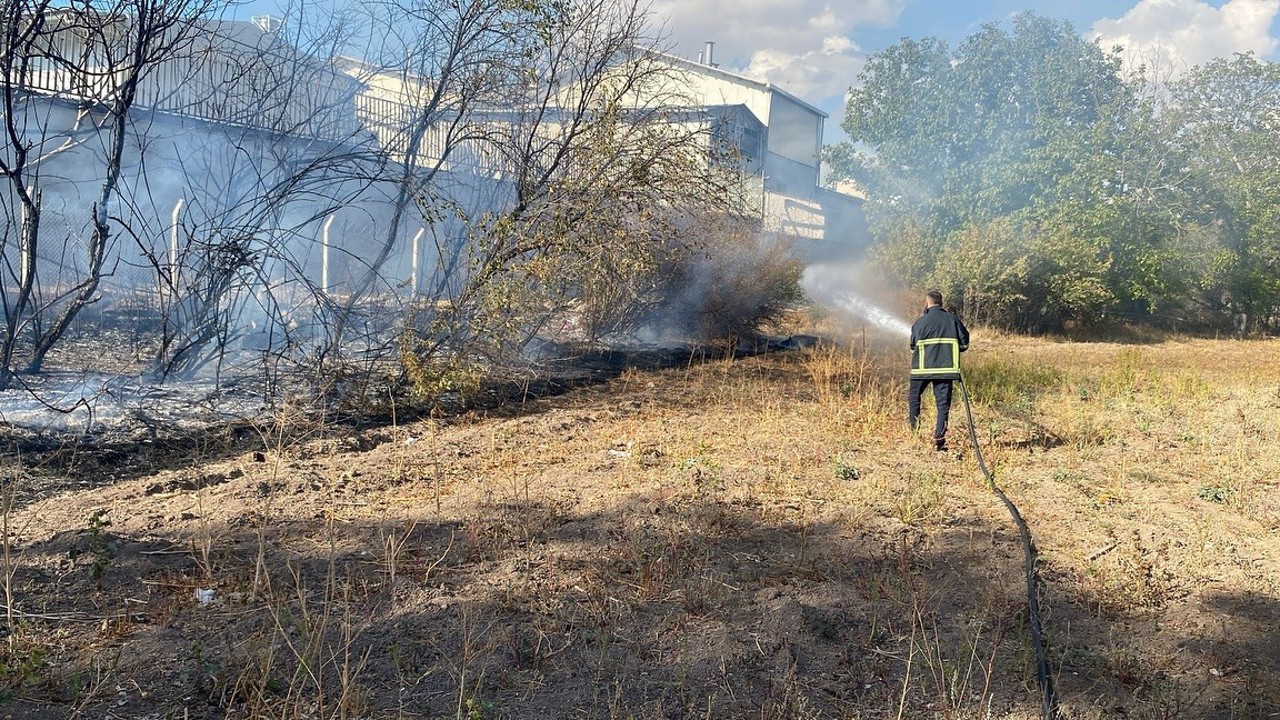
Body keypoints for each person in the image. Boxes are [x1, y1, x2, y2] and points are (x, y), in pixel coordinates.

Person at [908, 288, 970, 451]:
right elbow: (964, 344)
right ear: (942, 303)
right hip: (945, 370)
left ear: (927, 302)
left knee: (914, 399)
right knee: (943, 405)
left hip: (921, 370)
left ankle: (914, 433)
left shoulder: (919, 323)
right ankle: (939, 439)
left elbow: (913, 348)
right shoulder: (952, 320)